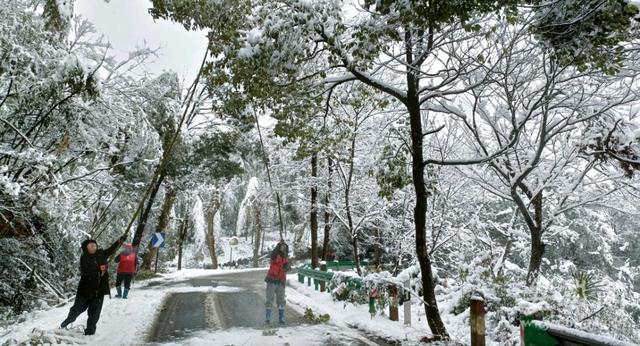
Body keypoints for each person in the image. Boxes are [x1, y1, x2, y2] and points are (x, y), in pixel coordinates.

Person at [60, 236, 125, 335]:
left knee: (94, 313)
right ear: (86, 248)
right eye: (91, 246)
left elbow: (112, 249)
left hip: (99, 290)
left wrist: (119, 241)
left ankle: (90, 332)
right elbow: (87, 271)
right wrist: (101, 269)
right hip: (85, 290)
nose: (94, 247)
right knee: (77, 309)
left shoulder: (101, 253)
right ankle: (65, 323)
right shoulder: (84, 258)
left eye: (95, 245)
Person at [264, 241, 290, 324]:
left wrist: (287, 267)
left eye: (285, 247)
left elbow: (287, 268)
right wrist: (278, 246)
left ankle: (281, 318)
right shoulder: (275, 255)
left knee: (281, 300)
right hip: (271, 280)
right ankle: (268, 317)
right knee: (269, 299)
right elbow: (273, 255)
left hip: (281, 282)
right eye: (282, 247)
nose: (283, 249)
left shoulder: (286, 258)